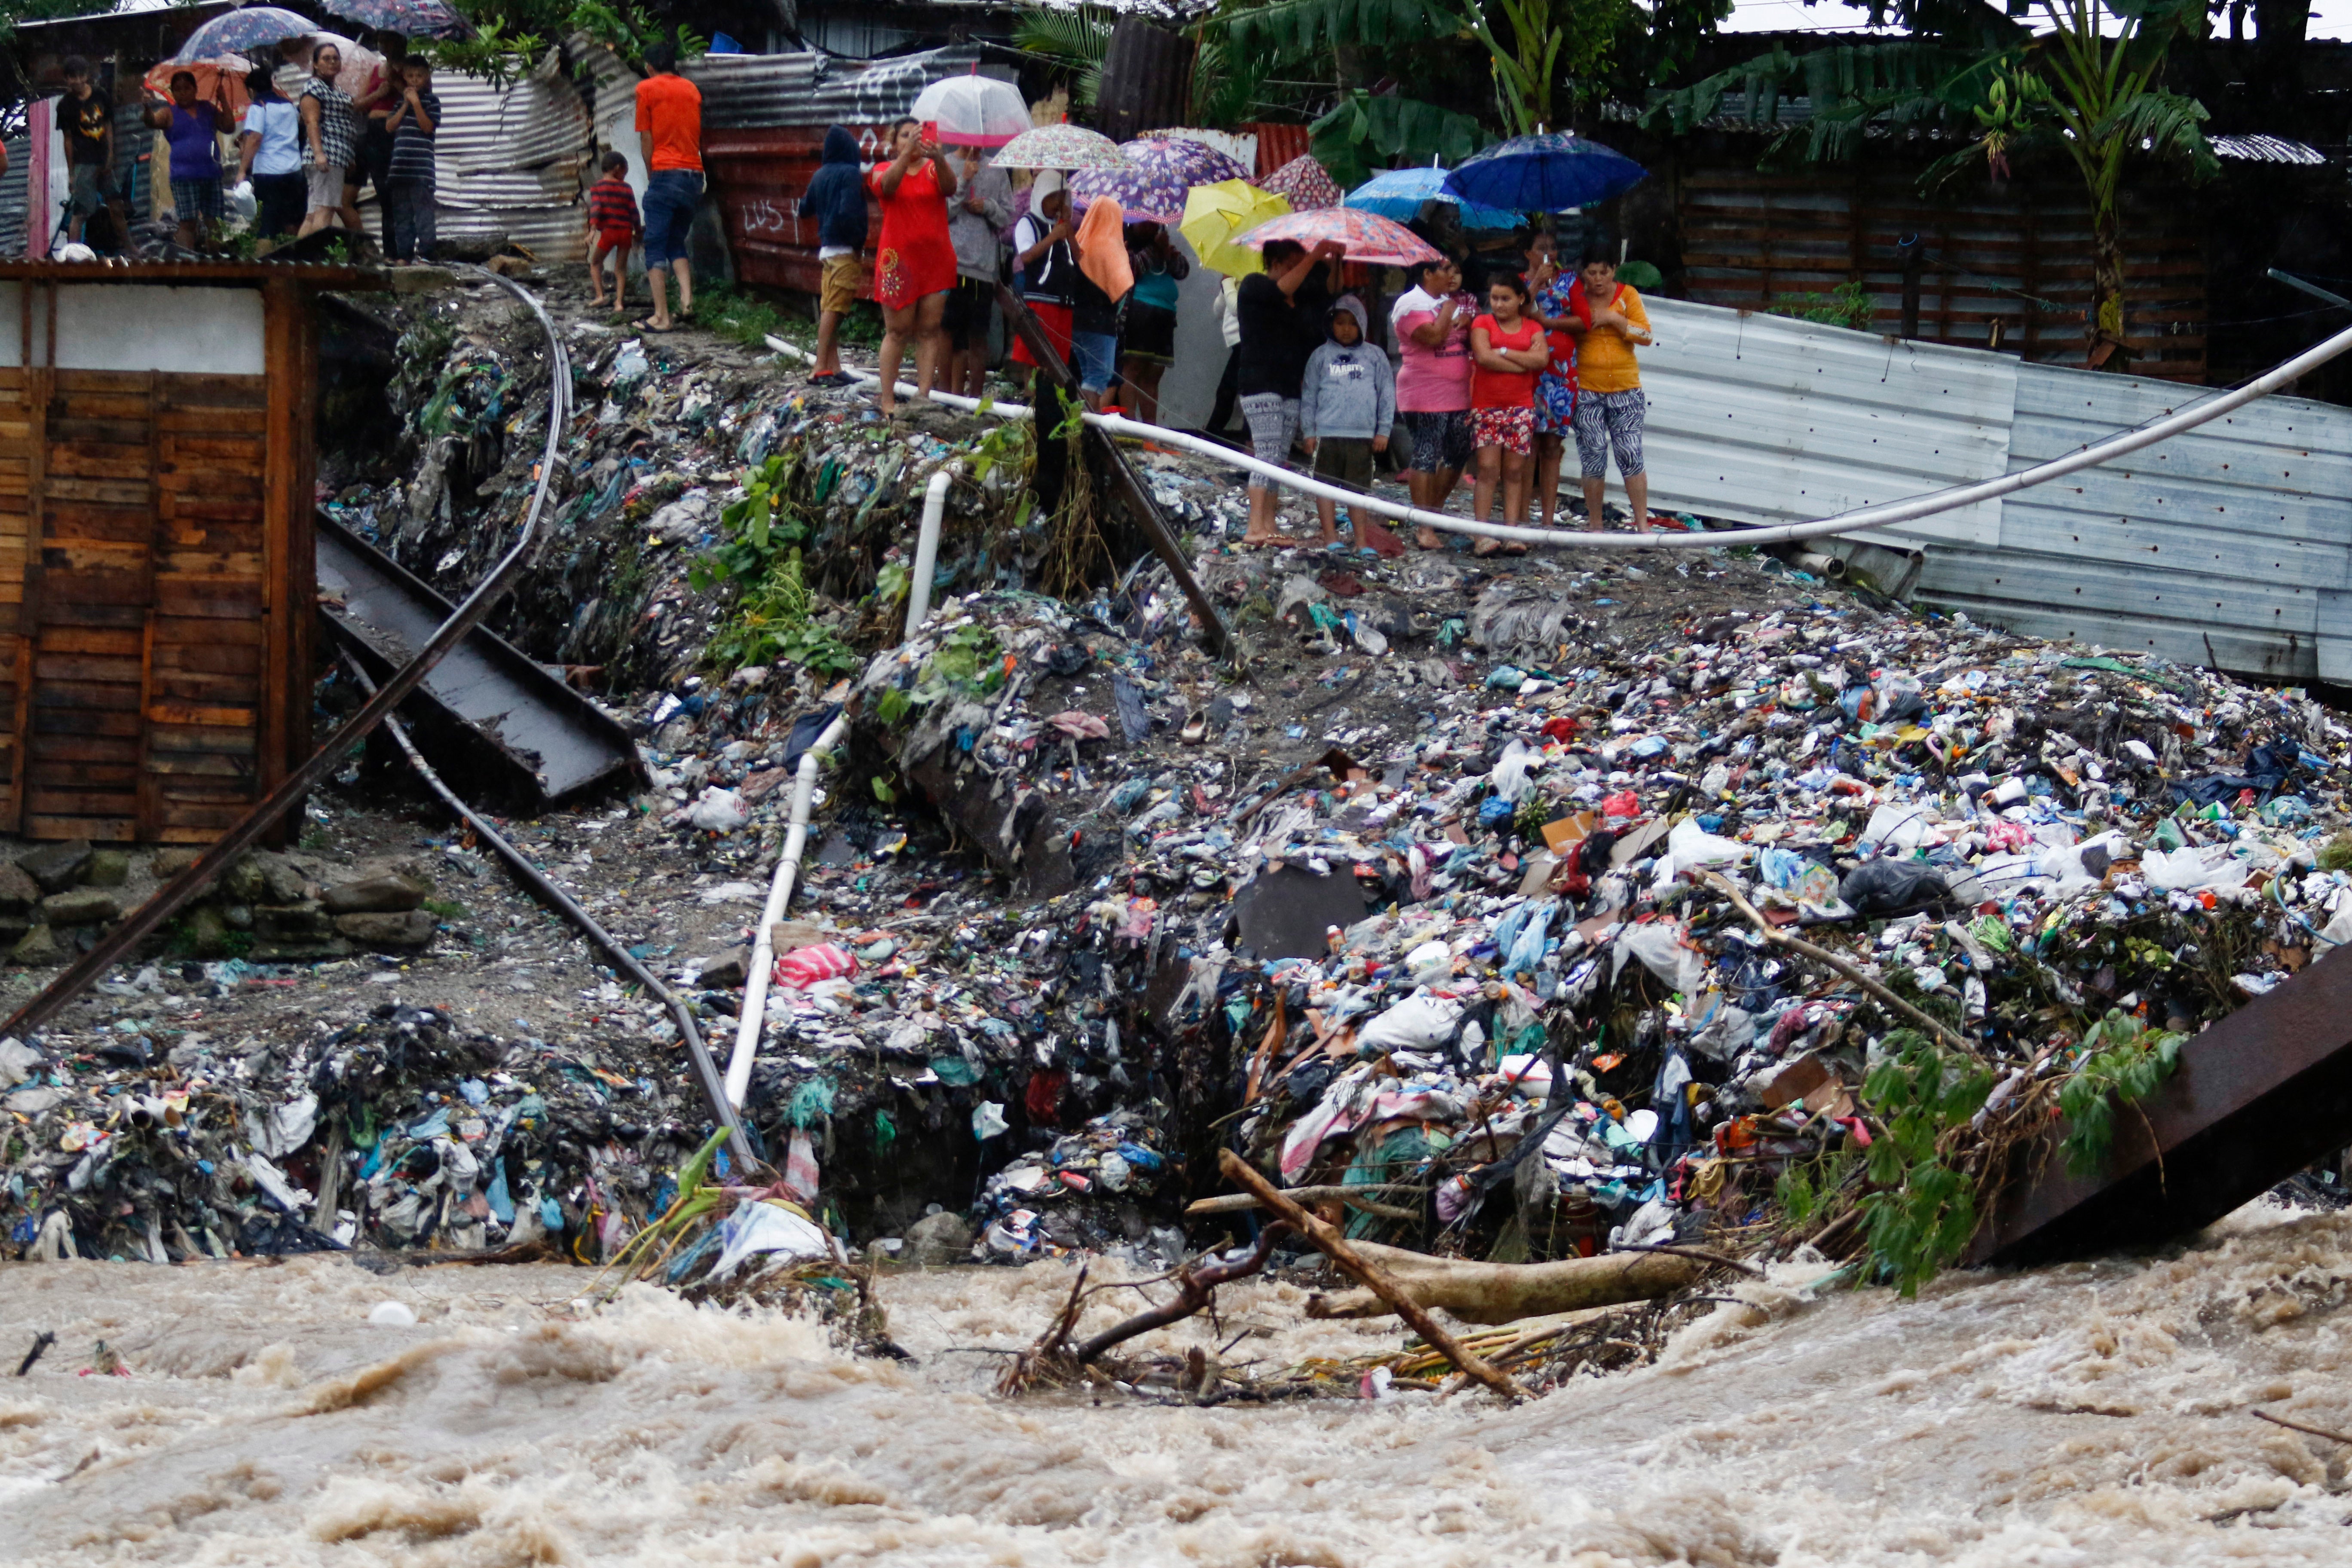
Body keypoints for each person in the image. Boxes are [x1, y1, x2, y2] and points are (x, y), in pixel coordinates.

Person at [1234, 236, 1345, 548]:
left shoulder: (1299, 297)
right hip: (1260, 382)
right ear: (1277, 263)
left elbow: (1333, 291)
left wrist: (1334, 261)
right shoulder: (1254, 286)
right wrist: (1316, 254)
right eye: (1294, 265)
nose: (1302, 271)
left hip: (1288, 384)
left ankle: (1269, 524)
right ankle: (1254, 525)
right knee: (1266, 455)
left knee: (1279, 457)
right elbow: (1279, 289)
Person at [867, 116, 957, 415]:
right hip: (899, 264)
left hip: (936, 262)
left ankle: (922, 395)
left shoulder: (933, 169)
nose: (912, 140)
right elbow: (887, 187)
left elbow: (950, 188)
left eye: (916, 135)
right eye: (905, 136)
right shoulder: (883, 170)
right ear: (893, 144)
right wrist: (906, 157)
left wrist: (940, 157)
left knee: (930, 330)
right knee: (897, 332)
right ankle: (888, 400)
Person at [1390, 254, 1477, 550]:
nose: (1451, 276)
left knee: (1458, 450)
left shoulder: (1447, 303)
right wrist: (1450, 309)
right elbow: (1435, 337)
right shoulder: (1410, 305)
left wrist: (1466, 318)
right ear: (1428, 274)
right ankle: (1423, 525)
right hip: (1424, 392)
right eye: (1446, 270)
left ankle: (1434, 511)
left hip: (1458, 392)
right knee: (1427, 451)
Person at [1299, 298, 1399, 553]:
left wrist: (1383, 430)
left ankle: (1362, 542)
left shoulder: (1374, 356)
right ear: (1331, 324)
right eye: (1340, 323)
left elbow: (1387, 394)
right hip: (1327, 434)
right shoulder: (1320, 356)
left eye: (1353, 324)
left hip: (1362, 436)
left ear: (1363, 325)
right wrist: (1309, 432)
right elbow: (1309, 395)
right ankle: (1332, 538)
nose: (1346, 329)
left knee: (1358, 492)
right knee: (1325, 488)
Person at [1566, 246, 1654, 531]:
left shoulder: (1628, 296)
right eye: (1592, 273)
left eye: (1604, 272)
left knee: (1630, 454)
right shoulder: (1574, 296)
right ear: (1583, 273)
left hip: (1626, 390)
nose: (1598, 279)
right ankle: (1595, 525)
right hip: (1587, 390)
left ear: (1614, 269)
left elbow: (1646, 336)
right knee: (1593, 456)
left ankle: (1643, 525)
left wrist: (1616, 320)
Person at [1468, 272, 1547, 556]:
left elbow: (1541, 360)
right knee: (1488, 469)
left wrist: (1503, 350)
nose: (1499, 305)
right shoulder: (1482, 322)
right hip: (1487, 406)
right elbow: (1484, 357)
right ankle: (1482, 535)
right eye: (1495, 299)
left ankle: (1511, 533)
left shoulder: (1532, 327)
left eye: (1505, 299)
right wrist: (1520, 363)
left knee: (1515, 471)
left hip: (1521, 407)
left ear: (1521, 299)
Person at [634, 40, 703, 332]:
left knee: (655, 245)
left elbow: (646, 139)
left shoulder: (646, 89)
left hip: (666, 172)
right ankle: (687, 304)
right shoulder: (692, 90)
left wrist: (652, 174)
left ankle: (661, 317)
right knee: (677, 240)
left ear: (650, 67)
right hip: (694, 176)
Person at [944, 144, 1012, 399]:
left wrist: (987, 207)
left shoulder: (997, 171)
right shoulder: (946, 165)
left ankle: (974, 399)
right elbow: (943, 213)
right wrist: (964, 180)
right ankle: (947, 395)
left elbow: (1007, 219)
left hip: (983, 267)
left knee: (978, 335)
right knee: (949, 333)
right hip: (952, 262)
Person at [802, 126, 867, 384]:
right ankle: (820, 366)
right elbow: (848, 212)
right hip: (844, 250)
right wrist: (858, 241)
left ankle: (834, 366)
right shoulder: (851, 174)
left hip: (827, 250)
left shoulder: (820, 175)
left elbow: (804, 208)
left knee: (830, 307)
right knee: (835, 310)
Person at [1525, 232, 1580, 530]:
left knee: (1552, 446)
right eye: (1541, 248)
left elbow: (1584, 320)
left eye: (1554, 247)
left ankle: (1547, 521)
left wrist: (1550, 323)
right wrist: (1535, 284)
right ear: (1527, 253)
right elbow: (1517, 312)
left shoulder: (1570, 281)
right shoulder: (1516, 282)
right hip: (1530, 368)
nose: (1549, 254)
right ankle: (1519, 518)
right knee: (1528, 443)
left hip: (1561, 372)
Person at [1006, 173, 1075, 397]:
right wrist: (1053, 236)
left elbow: (1078, 258)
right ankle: (1031, 400)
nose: (1057, 203)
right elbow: (1026, 256)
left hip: (1063, 301)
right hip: (1040, 300)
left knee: (1058, 361)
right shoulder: (1028, 223)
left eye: (1061, 197)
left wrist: (1068, 230)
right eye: (1052, 197)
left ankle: (1052, 404)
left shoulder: (1063, 227)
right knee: (1034, 357)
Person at [1118, 221, 1187, 426]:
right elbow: (1130, 269)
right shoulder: (1127, 241)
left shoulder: (1161, 242)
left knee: (1153, 374)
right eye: (1146, 223)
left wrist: (1166, 251)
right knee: (1133, 368)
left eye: (1154, 223)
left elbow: (1183, 271)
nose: (1151, 226)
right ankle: (1128, 426)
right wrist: (1155, 249)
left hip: (1165, 312)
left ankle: (1150, 430)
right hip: (1139, 310)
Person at [144, 69, 220, 251]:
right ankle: (188, 262)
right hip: (184, 176)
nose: (183, 93)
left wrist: (223, 99)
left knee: (214, 220)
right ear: (173, 93)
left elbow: (228, 126)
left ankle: (216, 263)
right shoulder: (169, 113)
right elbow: (151, 122)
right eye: (178, 89)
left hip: (212, 172)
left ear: (195, 89)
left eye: (187, 88)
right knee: (188, 222)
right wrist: (147, 108)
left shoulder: (208, 108)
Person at [1069, 196, 1130, 412]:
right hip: (1100, 323)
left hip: (1077, 321)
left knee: (1085, 374)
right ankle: (1086, 429)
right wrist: (1122, 255)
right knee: (1098, 377)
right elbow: (1122, 289)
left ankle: (1076, 425)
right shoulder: (1111, 246)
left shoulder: (1082, 240)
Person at [60, 58, 127, 250]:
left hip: (103, 161)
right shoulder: (65, 106)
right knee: (80, 213)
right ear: (67, 80)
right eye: (72, 77)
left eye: (80, 76)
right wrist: (72, 174)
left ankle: (130, 248)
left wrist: (110, 156)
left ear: (87, 76)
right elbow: (68, 140)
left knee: (116, 206)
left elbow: (108, 127)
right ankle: (72, 254)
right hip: (83, 163)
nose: (77, 81)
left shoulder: (100, 96)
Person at [297, 43, 360, 238]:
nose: (332, 62)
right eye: (326, 58)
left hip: (337, 156)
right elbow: (311, 121)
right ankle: (318, 260)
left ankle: (302, 261)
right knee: (326, 210)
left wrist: (349, 157)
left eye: (336, 58)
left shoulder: (336, 89)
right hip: (326, 157)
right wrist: (319, 154)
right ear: (316, 64)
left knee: (312, 214)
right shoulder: (314, 87)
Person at [381, 56, 438, 264]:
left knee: (424, 216)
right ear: (404, 78)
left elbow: (427, 127)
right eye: (411, 76)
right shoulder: (399, 104)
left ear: (427, 77)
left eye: (419, 76)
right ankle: (404, 255)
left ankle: (427, 255)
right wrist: (406, 104)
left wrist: (416, 103)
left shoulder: (432, 101)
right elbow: (390, 127)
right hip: (399, 170)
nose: (415, 81)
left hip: (421, 171)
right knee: (402, 217)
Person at [353, 31, 405, 255]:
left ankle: (404, 251)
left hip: (399, 131)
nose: (382, 44)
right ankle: (391, 253)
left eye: (387, 39)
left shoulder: (410, 69)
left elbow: (421, 99)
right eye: (381, 39)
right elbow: (358, 105)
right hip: (374, 133)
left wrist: (398, 83)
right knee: (383, 191)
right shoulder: (376, 70)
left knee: (400, 192)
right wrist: (380, 93)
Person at [238, 65, 304, 243]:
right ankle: (294, 262)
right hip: (294, 171)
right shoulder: (290, 106)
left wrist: (242, 171)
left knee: (267, 227)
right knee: (292, 224)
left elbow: (255, 139)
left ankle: (262, 269)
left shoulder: (258, 107)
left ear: (251, 90)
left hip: (269, 174)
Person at [585, 150, 641, 314]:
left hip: (609, 232)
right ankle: (619, 303)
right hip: (625, 232)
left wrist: (593, 230)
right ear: (618, 168)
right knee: (621, 269)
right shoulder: (627, 188)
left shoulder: (598, 187)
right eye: (625, 172)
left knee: (595, 264)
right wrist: (638, 231)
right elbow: (634, 212)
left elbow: (597, 208)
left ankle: (600, 296)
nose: (625, 175)